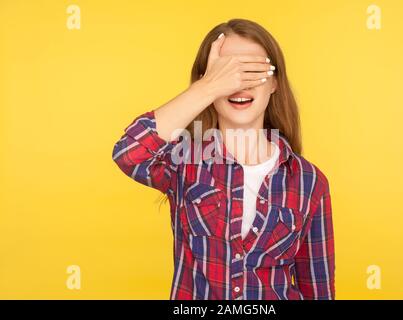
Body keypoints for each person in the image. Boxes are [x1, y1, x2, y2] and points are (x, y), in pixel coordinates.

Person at [112, 18, 335, 300]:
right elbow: (129, 153)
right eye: (226, 73)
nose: (238, 85)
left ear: (275, 83)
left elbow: (318, 290)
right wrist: (207, 88)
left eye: (252, 72)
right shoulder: (184, 161)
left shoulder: (309, 181)